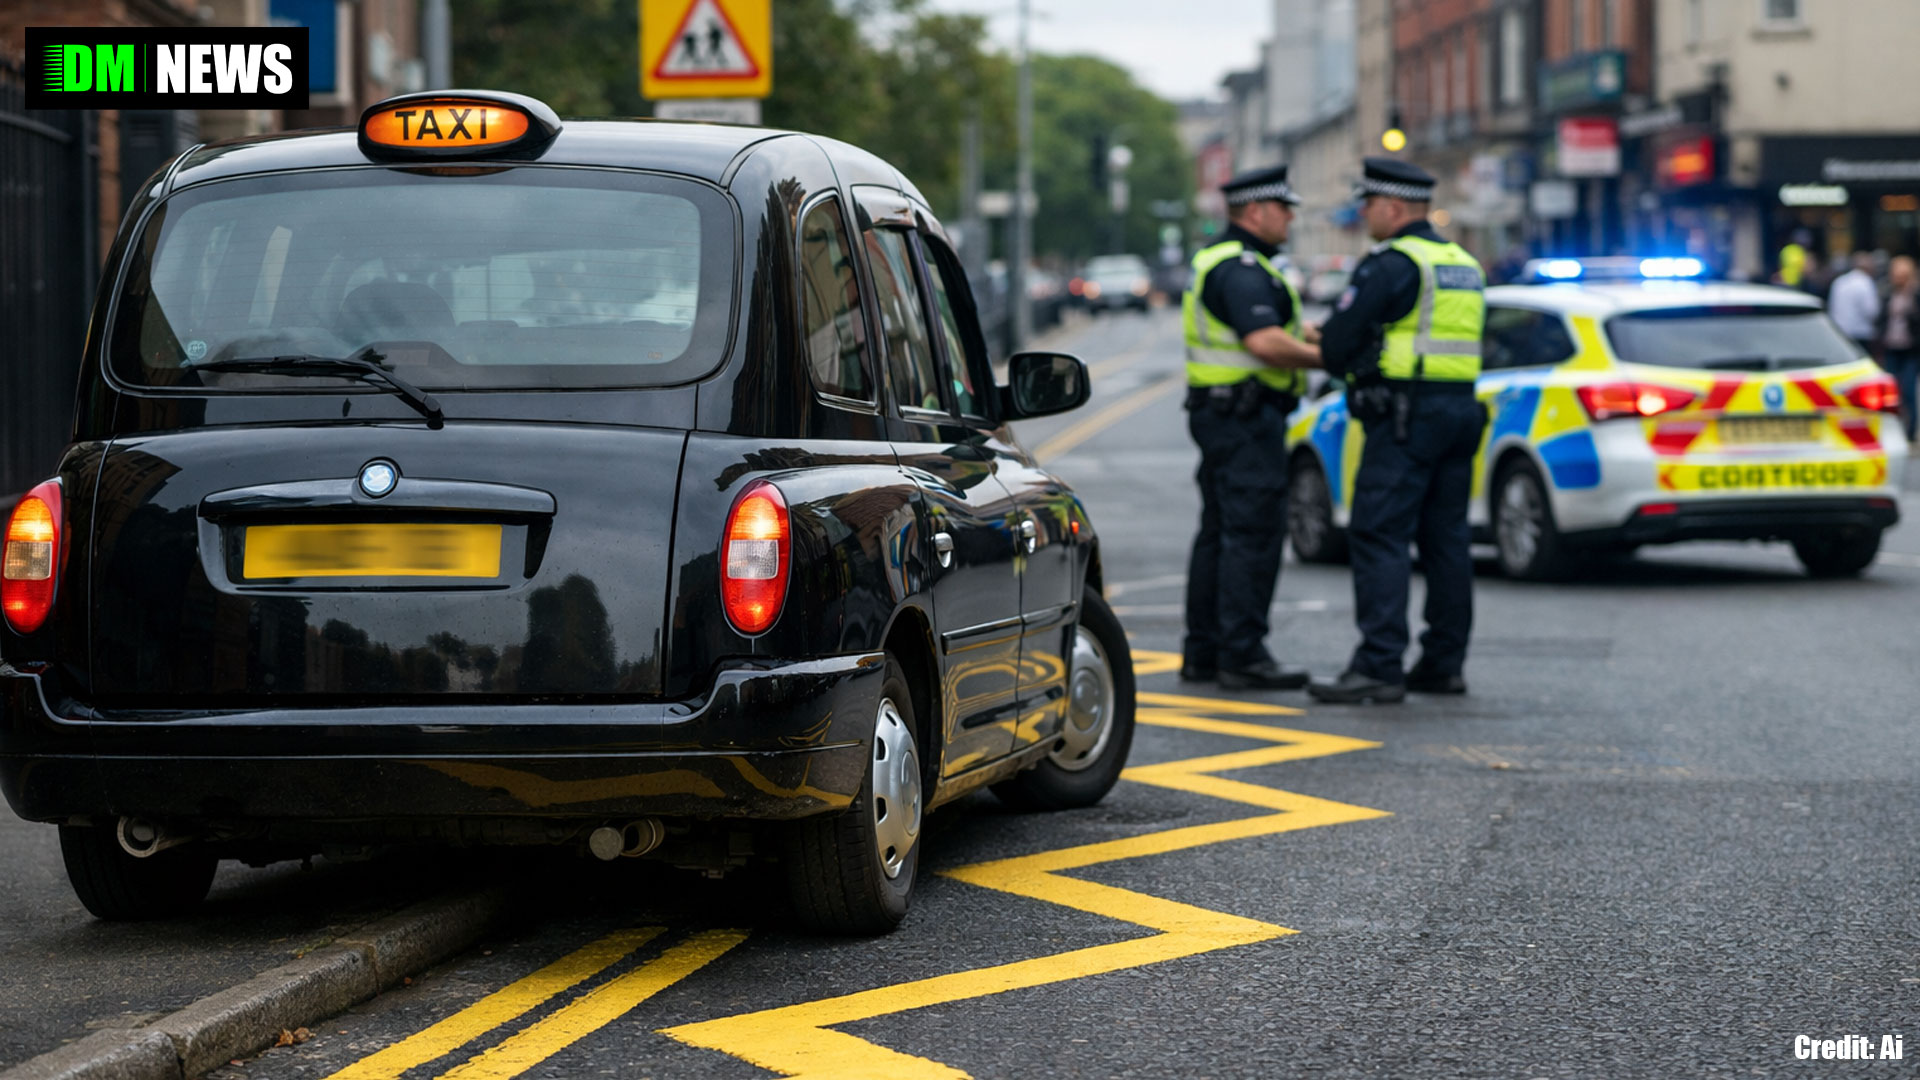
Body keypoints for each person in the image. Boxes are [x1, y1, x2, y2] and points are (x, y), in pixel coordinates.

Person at [1308, 158, 1487, 706]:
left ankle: (1379, 665)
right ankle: (1443, 663)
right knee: (1447, 540)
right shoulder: (1463, 262)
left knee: (1379, 532)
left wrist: (1338, 343)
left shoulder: (1391, 264)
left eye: (1368, 206)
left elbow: (1339, 343)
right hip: (1459, 410)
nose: (1364, 216)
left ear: (1392, 208)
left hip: (1407, 417)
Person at [1178, 165, 1323, 690]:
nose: (1289, 217)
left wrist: (1303, 332)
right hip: (1244, 419)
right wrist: (1328, 355)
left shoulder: (1229, 261)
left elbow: (1269, 328)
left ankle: (1205, 652)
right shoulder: (1242, 268)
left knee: (1220, 533)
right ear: (1256, 211)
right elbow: (1262, 341)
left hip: (1223, 415)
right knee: (1253, 535)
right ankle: (1242, 654)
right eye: (1284, 209)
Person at [1877, 255, 1920, 444]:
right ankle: (1892, 431)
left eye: (1903, 275)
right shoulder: (1887, 293)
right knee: (1891, 393)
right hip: (1891, 345)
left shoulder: (1915, 295)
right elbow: (1880, 317)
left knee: (1909, 389)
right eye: (1896, 275)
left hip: (1911, 348)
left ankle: (1911, 431)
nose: (1899, 279)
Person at [1828, 251, 1882, 357]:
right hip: (1861, 334)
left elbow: (1832, 307)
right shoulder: (1866, 282)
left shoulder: (1839, 281)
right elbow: (1871, 311)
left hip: (1839, 332)